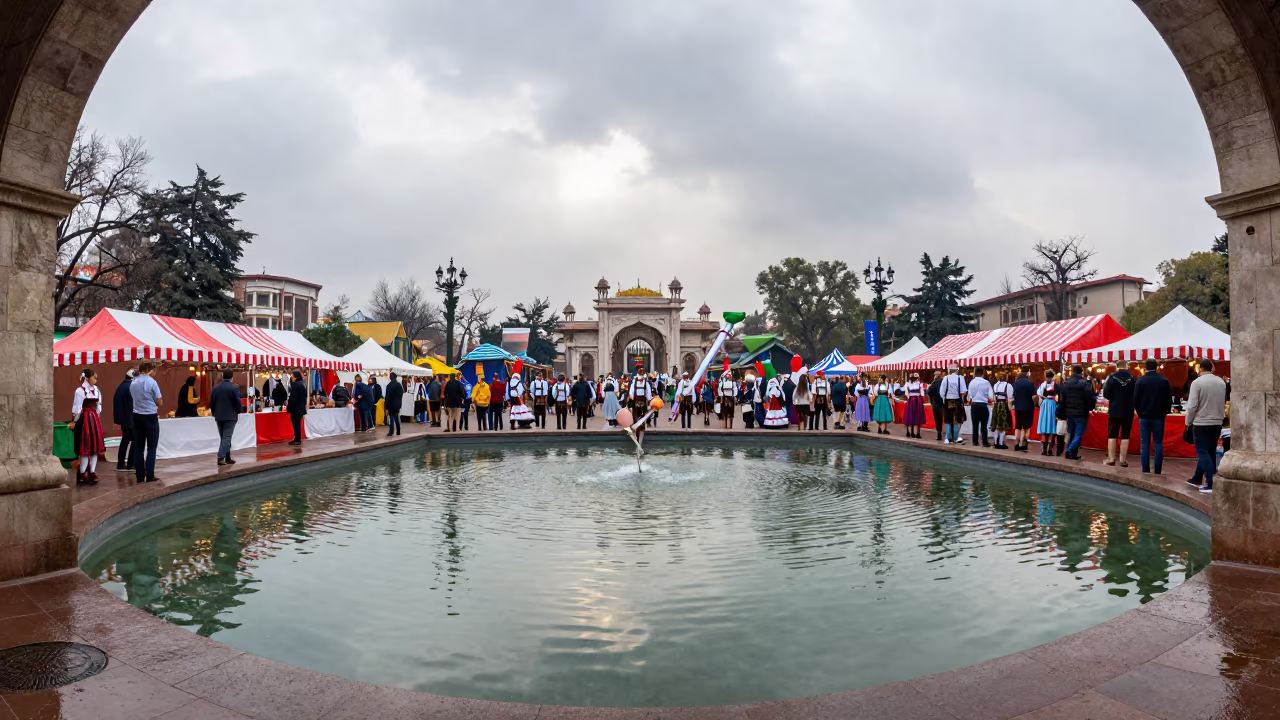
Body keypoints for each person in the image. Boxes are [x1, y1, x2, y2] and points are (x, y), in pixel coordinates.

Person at [1185, 358, 1227, 494]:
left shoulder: (1197, 383)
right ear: (1212, 368)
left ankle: (1211, 481)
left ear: (1200, 368)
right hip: (1217, 422)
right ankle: (1197, 478)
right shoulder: (1221, 382)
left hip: (1201, 422)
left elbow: (1191, 406)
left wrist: (1188, 422)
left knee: (1202, 452)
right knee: (1209, 451)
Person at [1133, 359, 1173, 474]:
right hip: (1159, 417)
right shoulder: (1164, 381)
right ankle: (1158, 470)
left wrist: (1140, 412)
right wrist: (1164, 412)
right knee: (1158, 443)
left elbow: (1135, 400)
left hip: (1144, 416)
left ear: (1145, 367)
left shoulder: (1140, 381)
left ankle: (1145, 469)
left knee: (1144, 443)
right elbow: (1168, 400)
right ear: (1156, 367)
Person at [130, 362, 163, 483]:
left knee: (139, 447)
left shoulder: (133, 382)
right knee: (151, 447)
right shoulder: (152, 382)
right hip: (150, 415)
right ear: (150, 369)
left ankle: (139, 475)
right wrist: (155, 401)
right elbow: (159, 401)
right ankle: (150, 474)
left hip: (137, 415)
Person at [72, 368, 105, 485]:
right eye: (94, 377)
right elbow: (77, 408)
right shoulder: (80, 391)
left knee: (94, 448)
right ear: (87, 378)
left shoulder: (96, 390)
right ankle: (82, 473)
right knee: (85, 448)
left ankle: (92, 471)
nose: (96, 380)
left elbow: (98, 406)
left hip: (93, 419)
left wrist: (97, 417)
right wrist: (75, 421)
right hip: (84, 420)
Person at [1102, 361, 1137, 467]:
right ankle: (1123, 460)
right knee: (1125, 435)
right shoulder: (1133, 379)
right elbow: (1136, 394)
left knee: (1112, 434)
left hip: (1114, 410)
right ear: (1127, 367)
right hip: (1128, 410)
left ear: (1117, 367)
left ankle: (1111, 459)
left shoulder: (1111, 378)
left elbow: (1106, 394)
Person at [1059, 366, 1096, 460]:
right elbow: (1089, 398)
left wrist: (1063, 411)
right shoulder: (1084, 384)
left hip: (1069, 413)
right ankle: (1070, 450)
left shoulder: (1066, 383)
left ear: (1072, 372)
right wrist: (1091, 407)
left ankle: (1071, 454)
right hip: (1081, 413)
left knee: (1072, 433)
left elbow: (1062, 399)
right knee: (1079, 434)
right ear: (1081, 372)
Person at [209, 370, 243, 466]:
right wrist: (239, 410)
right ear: (232, 377)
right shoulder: (234, 388)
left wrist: (214, 413)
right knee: (227, 437)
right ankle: (221, 457)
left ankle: (228, 458)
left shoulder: (215, 388)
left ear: (223, 376)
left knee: (224, 438)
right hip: (230, 416)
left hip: (219, 416)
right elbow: (237, 402)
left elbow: (212, 403)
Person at [113, 369, 136, 472]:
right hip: (131, 419)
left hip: (123, 419)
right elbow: (132, 405)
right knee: (135, 441)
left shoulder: (121, 386)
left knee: (125, 441)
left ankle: (120, 463)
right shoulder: (131, 386)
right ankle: (131, 463)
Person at [1011, 368, 1037, 453]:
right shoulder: (1030, 383)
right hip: (1028, 408)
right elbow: (1034, 397)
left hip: (1018, 407)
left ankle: (1018, 443)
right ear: (1027, 374)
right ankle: (1024, 443)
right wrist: (1036, 403)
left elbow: (1013, 396)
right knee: (1027, 427)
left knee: (1018, 427)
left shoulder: (1016, 384)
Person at [940, 366, 968, 445]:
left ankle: (948, 438)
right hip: (957, 400)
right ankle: (955, 437)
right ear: (956, 371)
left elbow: (941, 391)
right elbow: (964, 391)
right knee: (957, 419)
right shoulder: (960, 378)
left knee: (948, 419)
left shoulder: (946, 378)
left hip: (948, 400)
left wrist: (944, 399)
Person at [1037, 370, 1061, 456]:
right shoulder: (1055, 385)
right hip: (1052, 404)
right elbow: (1059, 395)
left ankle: (1044, 450)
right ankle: (1049, 449)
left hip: (1045, 404)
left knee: (1044, 425)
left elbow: (1039, 394)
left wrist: (1044, 397)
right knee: (1052, 425)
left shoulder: (1043, 385)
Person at [967, 368, 992, 447]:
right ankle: (984, 442)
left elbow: (969, 396)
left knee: (975, 424)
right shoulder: (986, 382)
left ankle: (975, 441)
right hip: (983, 404)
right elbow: (991, 396)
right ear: (983, 374)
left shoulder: (971, 382)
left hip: (974, 404)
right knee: (984, 424)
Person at [990, 372, 1013, 450]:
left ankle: (996, 442)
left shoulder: (995, 385)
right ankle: (1001, 442)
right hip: (1004, 405)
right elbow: (1010, 398)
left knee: (996, 424)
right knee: (1003, 425)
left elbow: (992, 397)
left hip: (996, 406)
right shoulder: (1008, 385)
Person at [902, 373, 926, 439]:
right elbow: (922, 394)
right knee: (917, 416)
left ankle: (909, 432)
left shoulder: (908, 384)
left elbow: (906, 393)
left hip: (910, 401)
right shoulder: (920, 384)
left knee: (910, 415)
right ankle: (916, 433)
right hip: (917, 401)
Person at [286, 371, 308, 445]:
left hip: (296, 409)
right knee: (297, 424)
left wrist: (289, 407)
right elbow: (305, 395)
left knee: (296, 424)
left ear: (295, 377)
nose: (292, 378)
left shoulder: (295, 385)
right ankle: (297, 439)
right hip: (301, 408)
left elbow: (293, 398)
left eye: (292, 376)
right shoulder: (302, 384)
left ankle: (297, 440)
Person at [382, 371, 404, 436]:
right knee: (396, 417)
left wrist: (386, 407)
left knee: (391, 417)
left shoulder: (389, 386)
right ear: (396, 377)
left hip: (391, 404)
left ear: (390, 378)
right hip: (398, 404)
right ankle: (398, 430)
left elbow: (387, 397)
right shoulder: (399, 385)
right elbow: (401, 394)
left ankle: (391, 431)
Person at [927, 371, 945, 441]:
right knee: (947, 419)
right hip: (945, 402)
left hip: (936, 402)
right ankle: (948, 434)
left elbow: (929, 392)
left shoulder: (934, 383)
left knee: (938, 419)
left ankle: (939, 433)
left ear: (935, 376)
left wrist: (932, 397)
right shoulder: (945, 381)